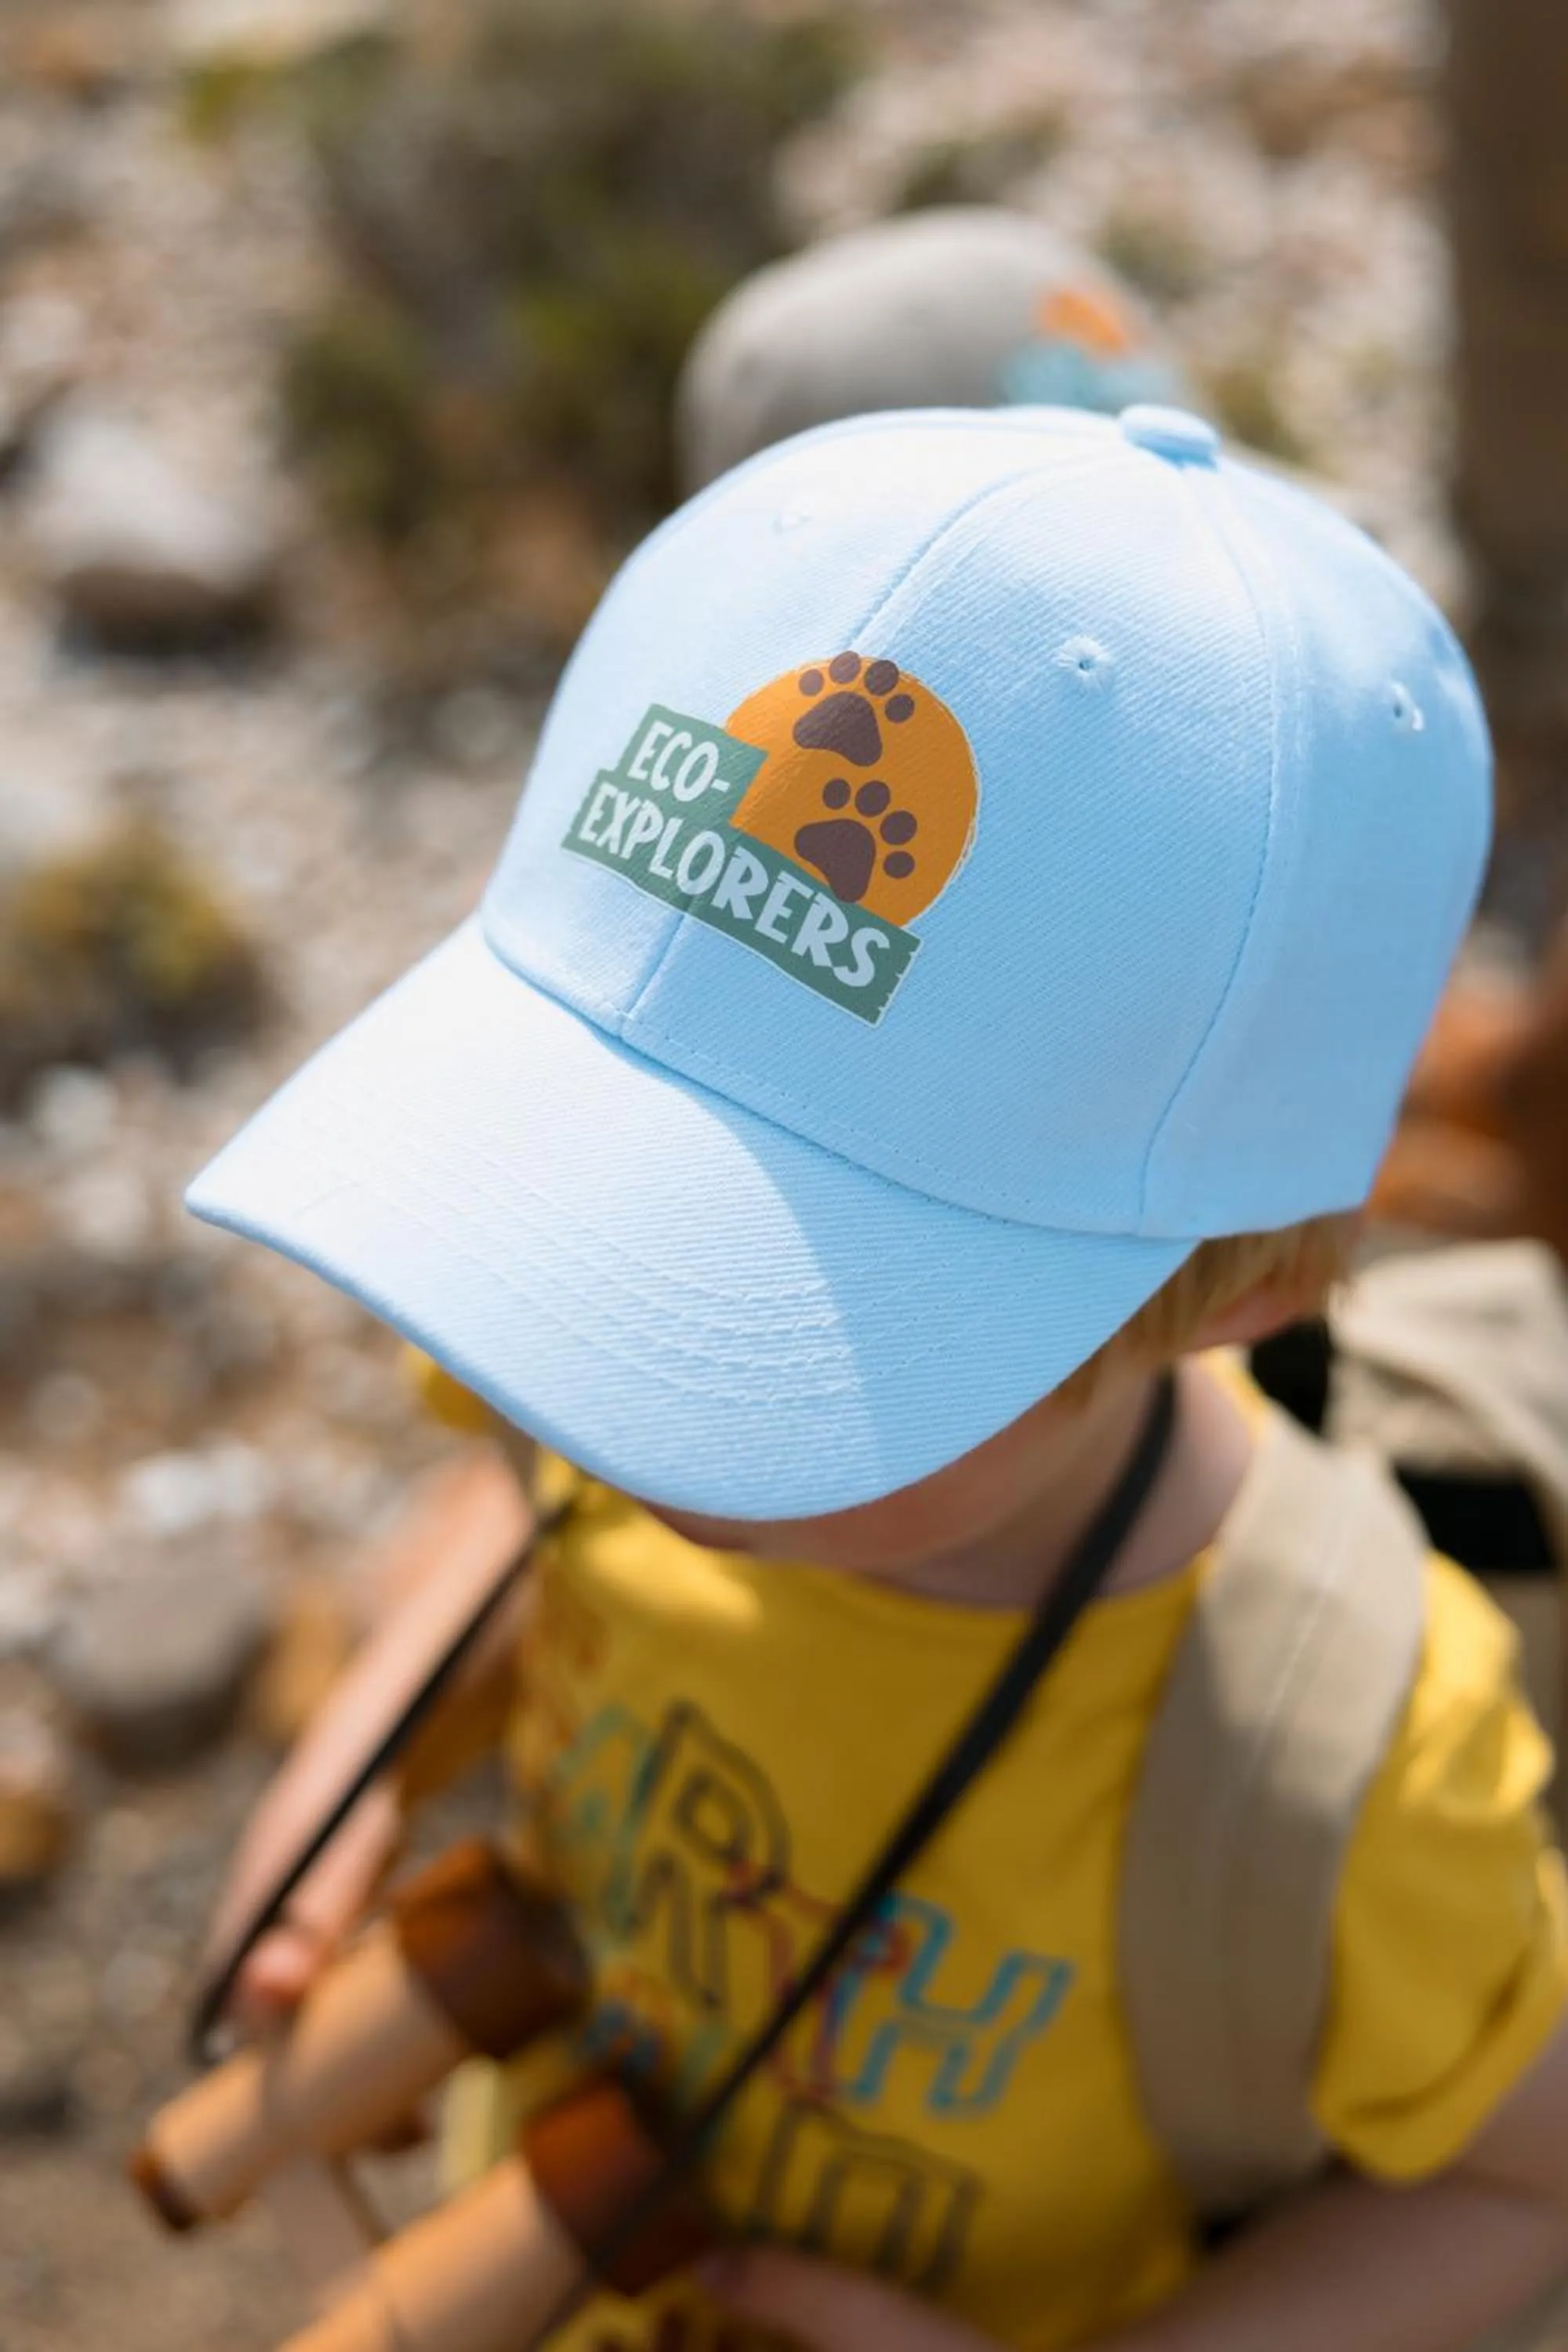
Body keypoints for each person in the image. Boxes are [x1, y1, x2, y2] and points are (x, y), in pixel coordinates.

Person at [188, 402, 1568, 2352]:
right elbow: (513, 1509)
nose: (599, 1370)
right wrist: (344, 1796)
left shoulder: (1341, 1762)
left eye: (773, 1308)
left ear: (1228, 1290)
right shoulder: (605, 1418)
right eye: (582, 1207)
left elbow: (1523, 2174)